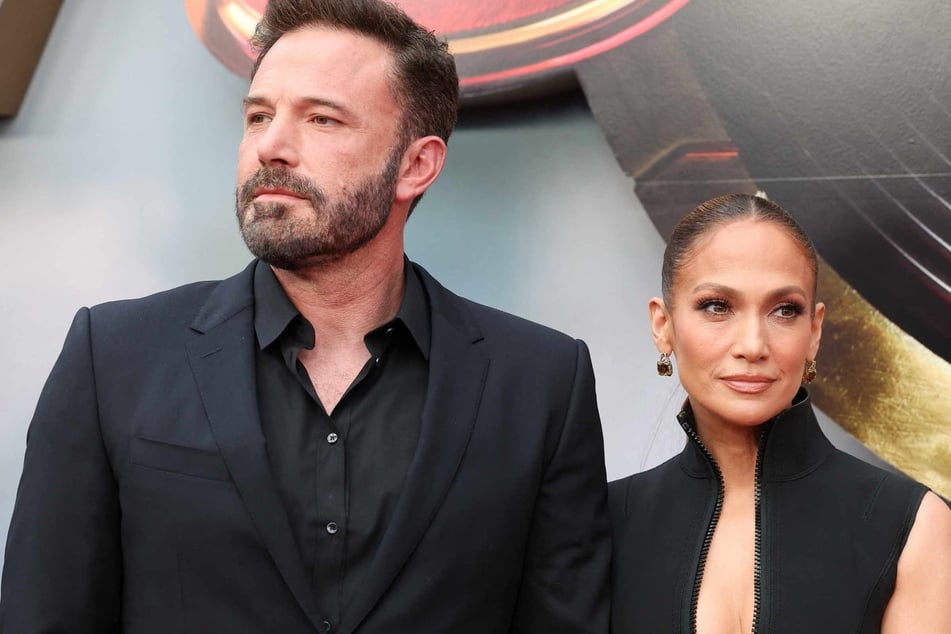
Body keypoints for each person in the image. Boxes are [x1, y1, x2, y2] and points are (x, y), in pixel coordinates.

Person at [0, 1, 611, 632]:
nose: (271, 146)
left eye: (321, 119)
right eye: (259, 115)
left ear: (416, 164)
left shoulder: (540, 382)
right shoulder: (115, 356)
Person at [609, 194, 951, 633]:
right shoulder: (602, 521)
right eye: (717, 306)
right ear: (663, 325)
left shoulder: (910, 525)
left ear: (814, 331)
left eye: (784, 311)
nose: (752, 345)